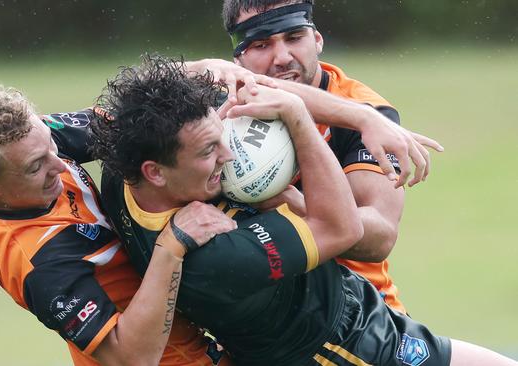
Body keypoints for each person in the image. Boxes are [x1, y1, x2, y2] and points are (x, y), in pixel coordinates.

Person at [92, 54, 517, 365]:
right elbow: (342, 228)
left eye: (221, 134)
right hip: (343, 346)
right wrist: (297, 119)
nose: (228, 154)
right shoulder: (215, 256)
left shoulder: (125, 167)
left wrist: (362, 117)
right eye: (208, 149)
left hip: (337, 324)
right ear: (157, 172)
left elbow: (184, 85)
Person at [0, 86, 238, 365]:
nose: (60, 164)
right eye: (36, 167)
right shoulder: (39, 263)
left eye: (52, 146)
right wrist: (171, 245)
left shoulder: (24, 144)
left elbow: (126, 122)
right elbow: (131, 359)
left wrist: (198, 78)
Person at [215, 0, 428, 313]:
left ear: (317, 40)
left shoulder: (367, 112)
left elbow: (381, 235)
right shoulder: (223, 100)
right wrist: (207, 69)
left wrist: (298, 207)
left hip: (361, 313)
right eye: (261, 44)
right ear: (237, 58)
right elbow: (146, 81)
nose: (282, 58)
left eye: (294, 37)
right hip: (262, 316)